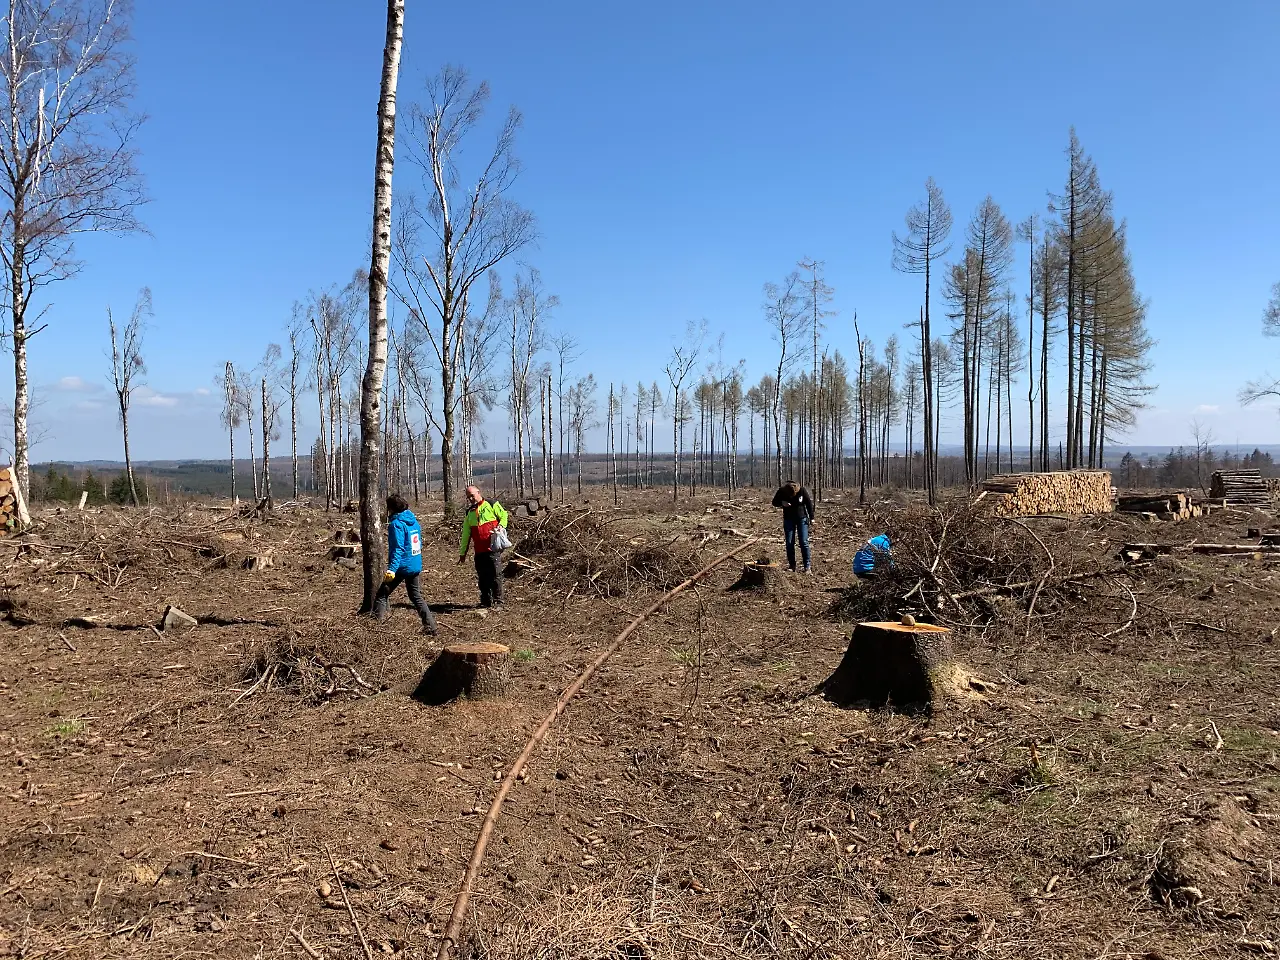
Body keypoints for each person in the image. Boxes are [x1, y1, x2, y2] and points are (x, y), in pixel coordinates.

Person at [374, 494, 438, 634]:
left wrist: (392, 569)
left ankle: (376, 629)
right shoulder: (413, 521)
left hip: (402, 566)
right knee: (416, 595)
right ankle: (431, 626)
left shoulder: (396, 525)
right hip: (415, 564)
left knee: (382, 594)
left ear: (391, 508)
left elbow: (398, 549)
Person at [458, 485, 510, 608]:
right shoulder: (469, 512)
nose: (471, 498)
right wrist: (462, 553)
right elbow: (466, 534)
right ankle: (485, 601)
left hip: (493, 548)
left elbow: (504, 516)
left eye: (472, 495)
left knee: (496, 575)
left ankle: (499, 601)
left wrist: (501, 526)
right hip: (479, 550)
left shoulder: (492, 504)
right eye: (468, 497)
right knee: (482, 577)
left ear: (478, 492)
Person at [771, 480, 815, 573]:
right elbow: (774, 502)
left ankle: (807, 566)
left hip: (801, 518)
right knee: (789, 542)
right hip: (788, 519)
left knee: (804, 542)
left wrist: (812, 517)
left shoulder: (802, 490)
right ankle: (792, 565)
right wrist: (782, 503)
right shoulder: (782, 491)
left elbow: (808, 503)